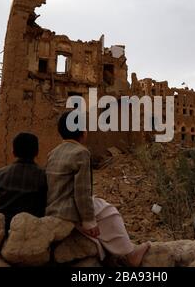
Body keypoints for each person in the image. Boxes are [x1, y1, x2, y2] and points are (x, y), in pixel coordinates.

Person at [46, 112, 150, 267]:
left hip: (53, 206)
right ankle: (130, 254)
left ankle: (111, 250)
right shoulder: (81, 152)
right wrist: (88, 221)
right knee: (110, 212)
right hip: (69, 207)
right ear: (83, 131)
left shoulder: (52, 153)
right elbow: (82, 192)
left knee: (99, 207)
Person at [0, 132, 47, 234]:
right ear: (37, 152)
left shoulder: (0, 174)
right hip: (30, 230)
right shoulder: (43, 176)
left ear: (13, 152)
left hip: (2, 229)